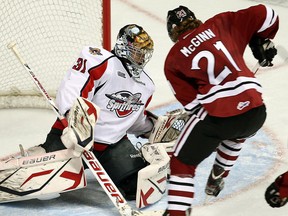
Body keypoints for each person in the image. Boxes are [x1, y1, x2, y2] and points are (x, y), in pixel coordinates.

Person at [163, 4, 278, 215]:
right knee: (239, 131)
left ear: (172, 32)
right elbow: (268, 13)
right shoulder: (221, 23)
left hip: (221, 118)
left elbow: (194, 106)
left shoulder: (173, 59)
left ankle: (177, 211)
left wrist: (206, 138)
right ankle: (219, 175)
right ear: (196, 20)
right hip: (256, 112)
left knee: (182, 164)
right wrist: (261, 40)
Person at [28, 24, 156, 201]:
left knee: (136, 187)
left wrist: (152, 128)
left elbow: (133, 120)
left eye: (144, 52)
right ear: (123, 46)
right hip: (72, 137)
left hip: (112, 146)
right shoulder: (101, 61)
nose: (141, 57)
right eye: (137, 51)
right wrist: (73, 122)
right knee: (35, 184)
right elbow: (72, 88)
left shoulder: (147, 85)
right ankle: (39, 154)